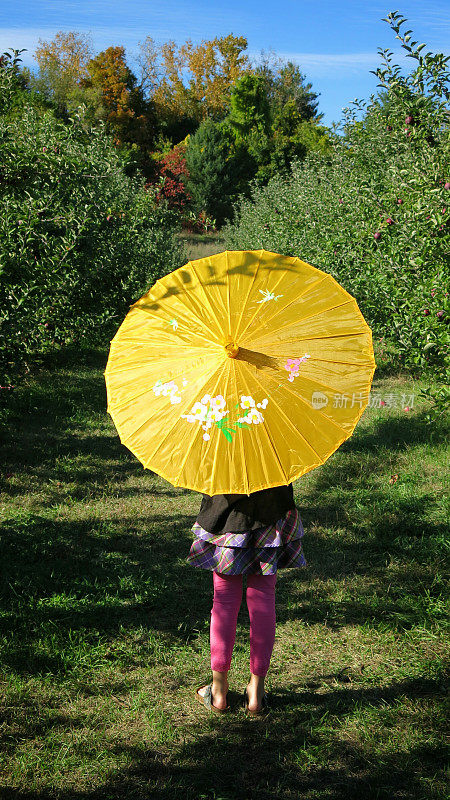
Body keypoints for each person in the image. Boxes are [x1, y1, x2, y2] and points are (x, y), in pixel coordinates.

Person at [187, 483, 307, 715]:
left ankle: (219, 692)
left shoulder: (219, 444)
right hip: (271, 511)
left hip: (226, 517)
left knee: (223, 600)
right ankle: (256, 693)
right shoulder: (274, 444)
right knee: (263, 599)